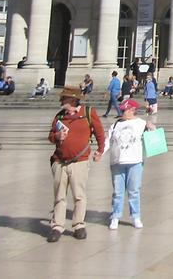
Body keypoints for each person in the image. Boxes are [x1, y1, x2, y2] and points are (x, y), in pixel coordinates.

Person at [47, 86, 105, 242]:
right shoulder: (59, 116)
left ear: (73, 100)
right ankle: (57, 226)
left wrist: (100, 150)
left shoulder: (88, 113)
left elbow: (99, 132)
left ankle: (78, 225)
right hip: (60, 162)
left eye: (64, 99)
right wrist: (57, 136)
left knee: (79, 195)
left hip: (79, 161)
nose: (61, 101)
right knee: (59, 196)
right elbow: (50, 136)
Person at [105, 99, 155, 230]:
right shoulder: (116, 124)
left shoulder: (141, 123)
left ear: (132, 110)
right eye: (121, 110)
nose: (121, 112)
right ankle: (115, 216)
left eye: (124, 110)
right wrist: (100, 152)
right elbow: (107, 140)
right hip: (117, 161)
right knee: (117, 192)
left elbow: (153, 138)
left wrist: (152, 129)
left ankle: (136, 216)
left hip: (135, 161)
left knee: (134, 190)